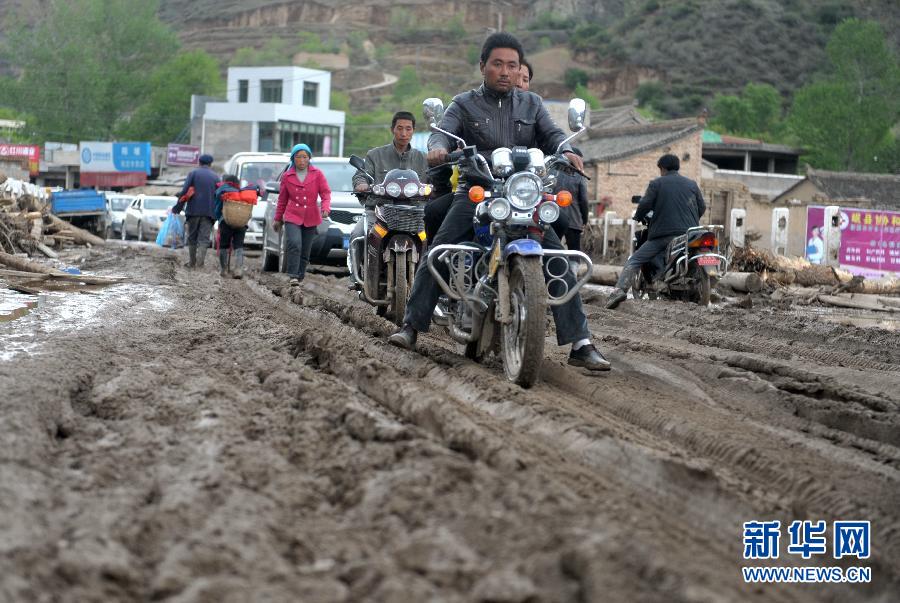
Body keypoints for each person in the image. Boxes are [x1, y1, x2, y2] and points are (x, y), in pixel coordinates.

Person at [388, 32, 610, 371]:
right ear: (483, 67)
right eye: (498, 64)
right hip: (477, 190)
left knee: (558, 258)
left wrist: (566, 149)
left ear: (519, 69)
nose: (505, 71)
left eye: (512, 65)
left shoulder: (532, 104)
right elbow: (441, 132)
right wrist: (438, 149)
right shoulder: (463, 103)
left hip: (523, 193)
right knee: (440, 249)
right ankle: (411, 326)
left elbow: (552, 135)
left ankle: (581, 342)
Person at [606, 154, 706, 309]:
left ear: (662, 168)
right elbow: (702, 207)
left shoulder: (657, 184)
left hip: (664, 235)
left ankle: (619, 291)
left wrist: (638, 216)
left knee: (635, 260)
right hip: (690, 235)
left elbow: (645, 204)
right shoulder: (692, 184)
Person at [350, 111, 428, 286]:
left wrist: (436, 188)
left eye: (408, 129)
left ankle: (428, 283)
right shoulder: (374, 155)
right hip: (379, 211)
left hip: (415, 213)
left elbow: (435, 178)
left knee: (433, 239)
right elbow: (361, 175)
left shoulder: (422, 158)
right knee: (357, 236)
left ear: (413, 131)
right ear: (392, 129)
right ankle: (357, 277)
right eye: (400, 128)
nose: (403, 133)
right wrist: (361, 184)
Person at [273, 144, 331, 284]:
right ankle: (292, 275)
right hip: (292, 215)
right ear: (293, 158)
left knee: (305, 248)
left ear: (309, 158)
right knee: (294, 243)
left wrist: (325, 208)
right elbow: (282, 200)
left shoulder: (317, 174)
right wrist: (277, 218)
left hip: (311, 215)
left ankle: (300, 276)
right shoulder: (287, 176)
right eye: (298, 157)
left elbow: (325, 193)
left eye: (305, 157)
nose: (301, 160)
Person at [174, 153, 219, 268]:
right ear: (210, 164)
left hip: (193, 211)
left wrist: (178, 207)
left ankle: (192, 262)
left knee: (192, 237)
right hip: (209, 213)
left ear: (199, 162)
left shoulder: (193, 174)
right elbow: (219, 195)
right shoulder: (215, 177)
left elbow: (185, 191)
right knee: (204, 239)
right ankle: (200, 263)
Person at [213, 174, 250, 279]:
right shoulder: (242, 193)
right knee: (239, 246)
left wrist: (218, 218)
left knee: (224, 245)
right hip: (241, 223)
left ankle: (224, 269)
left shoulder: (223, 191)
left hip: (226, 222)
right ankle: (238, 269)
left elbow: (217, 209)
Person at [554, 147, 590, 251]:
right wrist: (585, 219)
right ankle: (573, 267)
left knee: (553, 249)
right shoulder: (580, 177)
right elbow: (584, 200)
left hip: (554, 217)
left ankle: (554, 266)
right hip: (573, 220)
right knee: (574, 251)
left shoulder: (553, 174)